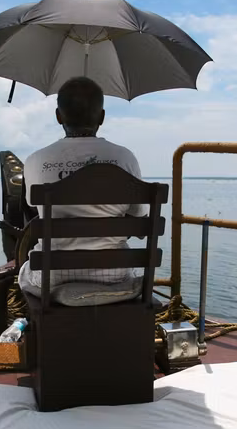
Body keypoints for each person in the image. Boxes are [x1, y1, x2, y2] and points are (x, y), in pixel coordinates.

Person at [17, 76, 147, 299]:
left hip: (53, 275)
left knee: (23, 272)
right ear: (102, 117)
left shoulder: (36, 160)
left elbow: (32, 216)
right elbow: (141, 222)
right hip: (113, 274)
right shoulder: (125, 158)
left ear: (58, 116)